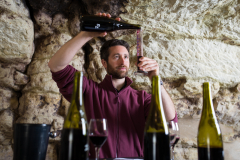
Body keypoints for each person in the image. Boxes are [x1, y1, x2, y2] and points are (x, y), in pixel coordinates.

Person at [48, 13, 177, 158]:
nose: (123, 62)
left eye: (126, 57)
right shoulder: (89, 91)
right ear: (104, 63)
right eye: (116, 57)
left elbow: (170, 120)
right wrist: (86, 34)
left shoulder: (142, 98)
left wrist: (156, 79)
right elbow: (56, 65)